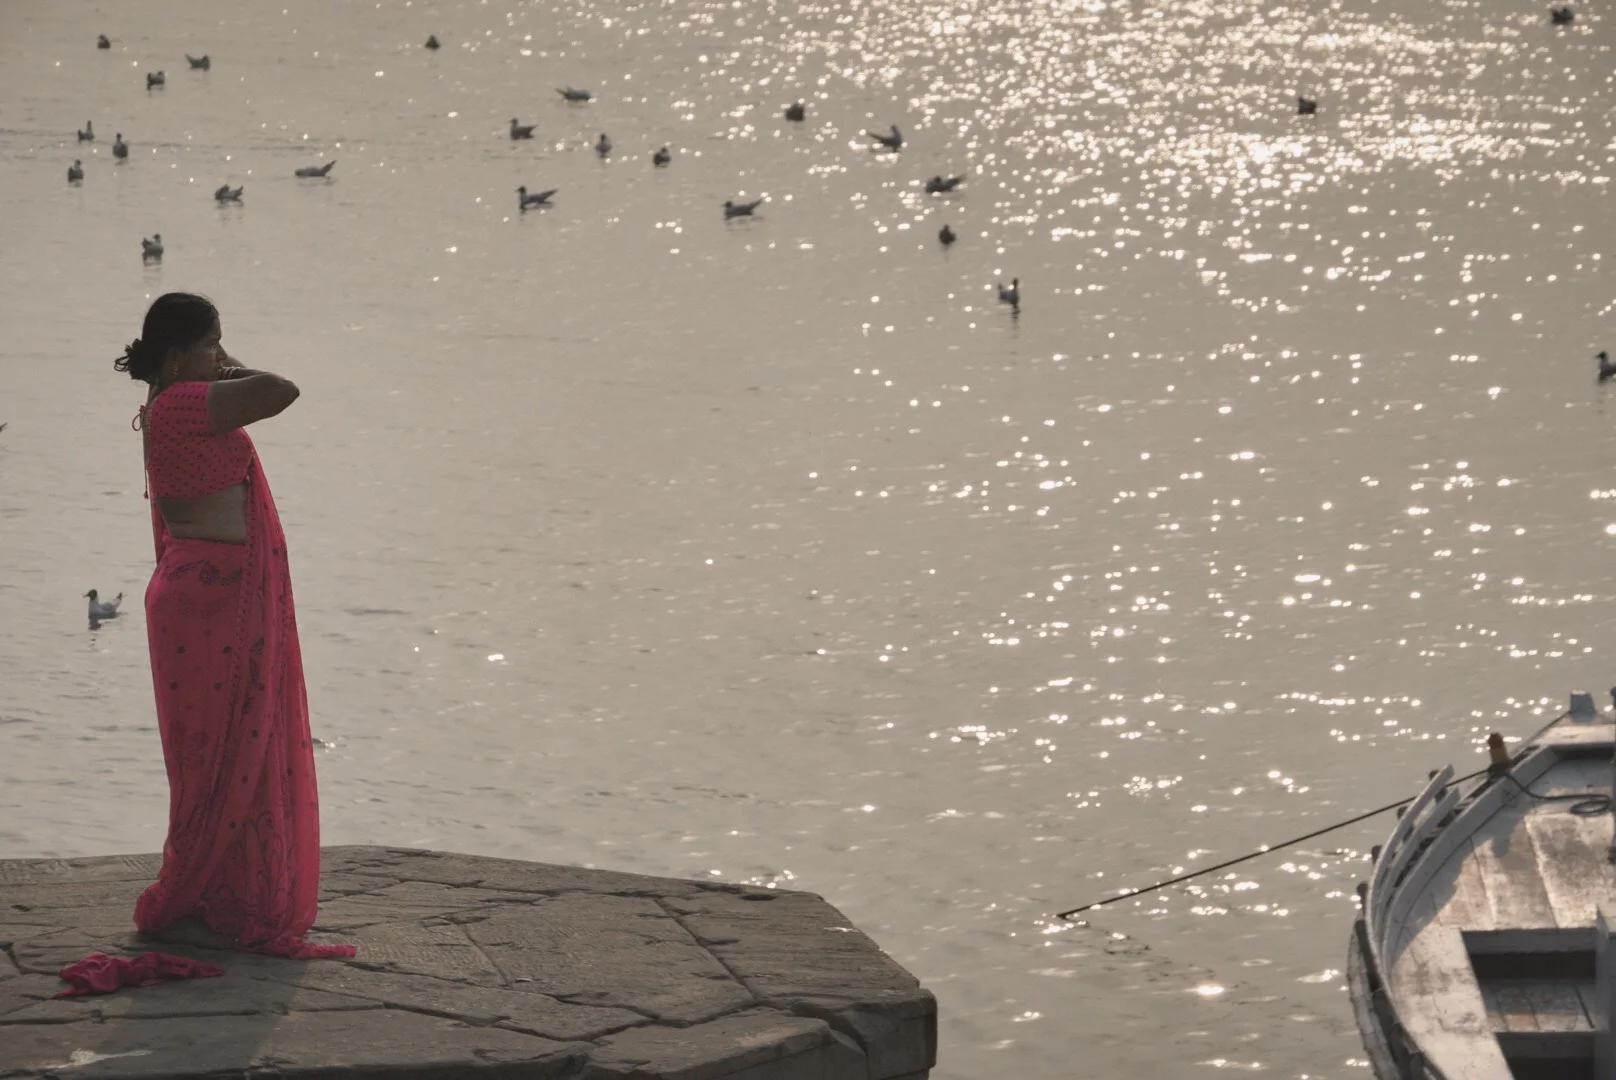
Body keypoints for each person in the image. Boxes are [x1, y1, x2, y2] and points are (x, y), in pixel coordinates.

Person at [113, 292, 353, 961]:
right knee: (219, 760)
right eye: (211, 343)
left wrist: (209, 361)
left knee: (213, 760)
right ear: (179, 351)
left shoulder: (161, 405)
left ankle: (213, 898)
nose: (220, 357)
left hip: (198, 592)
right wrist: (220, 369)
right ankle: (191, 900)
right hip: (214, 596)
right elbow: (280, 389)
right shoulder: (184, 401)